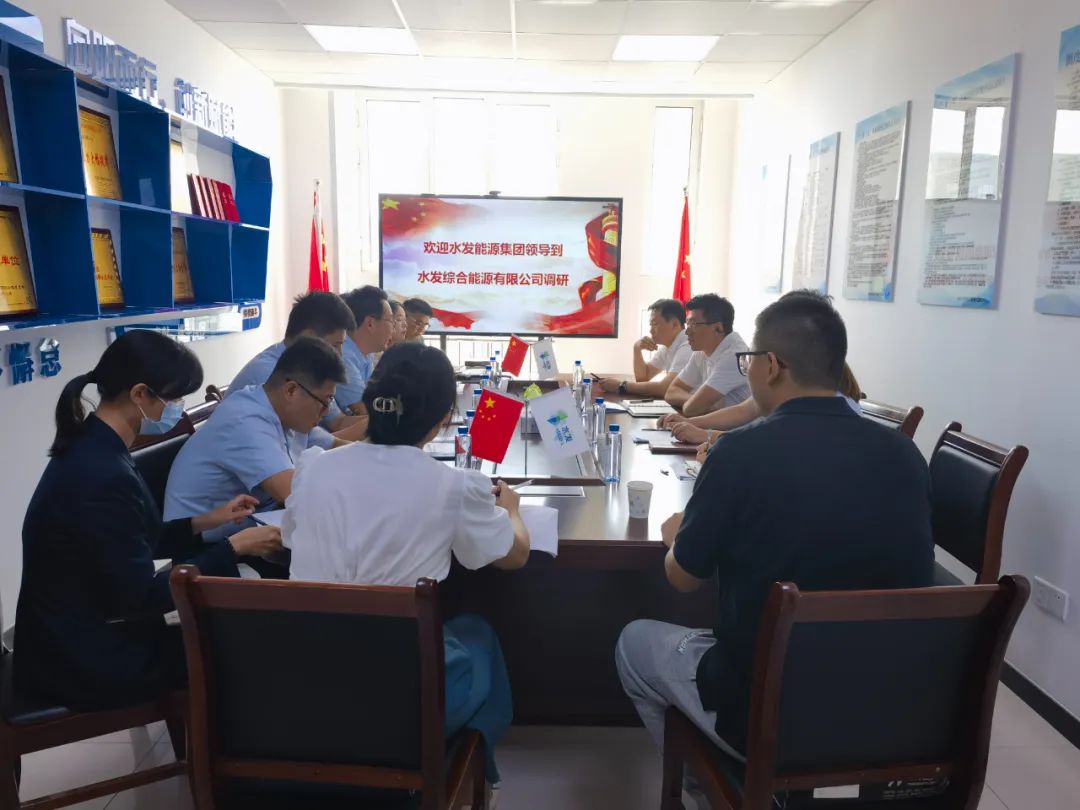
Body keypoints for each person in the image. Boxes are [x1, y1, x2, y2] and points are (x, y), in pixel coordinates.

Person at [615, 292, 933, 802]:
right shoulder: (904, 453)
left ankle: (716, 791)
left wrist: (678, 538)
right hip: (887, 707)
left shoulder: (740, 453)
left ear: (773, 366)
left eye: (750, 362)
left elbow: (684, 578)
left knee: (634, 643)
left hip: (770, 709)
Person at [285, 342, 529, 792]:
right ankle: (462, 777)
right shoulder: (453, 487)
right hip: (398, 700)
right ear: (441, 420)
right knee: (477, 633)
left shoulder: (313, 468)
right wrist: (511, 511)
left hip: (303, 685)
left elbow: (290, 539)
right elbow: (513, 556)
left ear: (370, 404)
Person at [14, 331, 281, 710]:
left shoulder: (95, 445)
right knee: (241, 645)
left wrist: (208, 520)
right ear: (140, 394)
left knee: (234, 632)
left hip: (75, 632)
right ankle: (221, 747)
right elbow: (142, 598)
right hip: (80, 658)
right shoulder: (102, 473)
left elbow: (129, 540)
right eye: (174, 398)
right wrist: (233, 547)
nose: (177, 409)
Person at [164, 337, 347, 528]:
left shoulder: (283, 412)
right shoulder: (245, 418)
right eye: (325, 401)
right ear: (291, 390)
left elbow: (334, 449)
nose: (327, 411)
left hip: (250, 521)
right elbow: (294, 495)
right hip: (196, 537)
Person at [228, 291, 364, 446]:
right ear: (309, 337)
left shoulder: (307, 370)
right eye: (335, 346)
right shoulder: (273, 374)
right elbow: (305, 446)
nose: (339, 355)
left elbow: (337, 422)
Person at [666, 360, 865, 447]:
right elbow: (743, 411)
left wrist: (708, 436)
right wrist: (691, 422)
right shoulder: (799, 384)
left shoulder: (819, 396)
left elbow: (777, 445)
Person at [663, 294, 749, 417]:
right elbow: (671, 392)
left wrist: (696, 403)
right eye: (687, 324)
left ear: (718, 328)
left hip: (740, 428)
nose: (687, 332)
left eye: (693, 324)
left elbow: (691, 409)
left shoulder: (734, 355)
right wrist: (699, 402)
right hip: (716, 424)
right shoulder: (702, 350)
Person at [594, 299, 691, 399]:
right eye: (650, 325)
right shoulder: (668, 346)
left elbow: (666, 388)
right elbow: (643, 378)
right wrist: (637, 348)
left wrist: (621, 385)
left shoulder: (688, 346)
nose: (651, 330)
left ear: (674, 324)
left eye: (655, 324)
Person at [335, 286, 394, 415]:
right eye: (390, 320)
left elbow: (376, 398)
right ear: (370, 323)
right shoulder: (344, 357)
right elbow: (366, 410)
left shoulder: (366, 355)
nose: (393, 329)